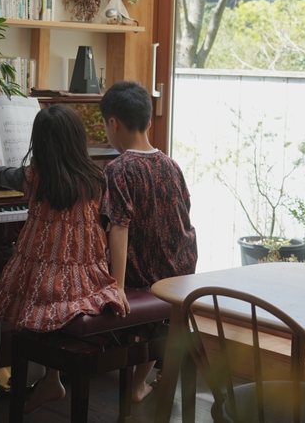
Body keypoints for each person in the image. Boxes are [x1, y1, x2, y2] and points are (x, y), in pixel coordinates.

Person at [0, 104, 125, 416]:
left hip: (45, 281)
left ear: (40, 143)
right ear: (77, 140)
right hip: (85, 282)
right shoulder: (96, 178)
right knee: (46, 301)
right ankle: (44, 374)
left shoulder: (34, 177)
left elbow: (2, 174)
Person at [100, 80, 198, 402]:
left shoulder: (119, 168)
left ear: (113, 123)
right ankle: (137, 384)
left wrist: (116, 285)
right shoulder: (171, 165)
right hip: (179, 273)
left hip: (143, 276)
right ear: (148, 121)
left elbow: (118, 228)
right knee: (161, 320)